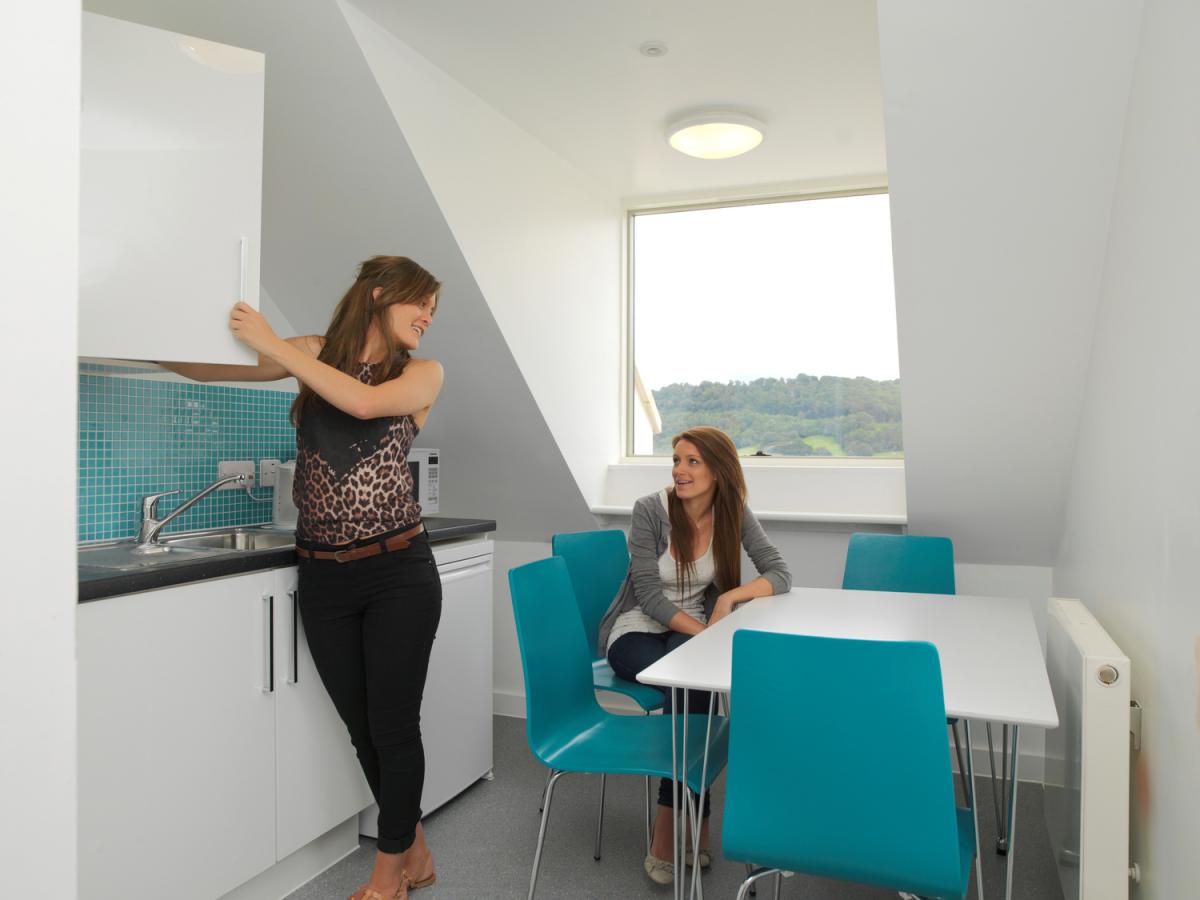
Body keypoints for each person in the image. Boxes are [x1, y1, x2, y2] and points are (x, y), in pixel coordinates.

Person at [161, 256, 444, 900]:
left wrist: (273, 347)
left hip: (398, 572)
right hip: (322, 577)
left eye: (433, 308)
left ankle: (388, 874)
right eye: (420, 303)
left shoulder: (422, 373)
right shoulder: (313, 352)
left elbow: (364, 401)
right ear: (379, 295)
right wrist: (150, 348)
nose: (429, 317)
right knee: (360, 725)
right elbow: (221, 366)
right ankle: (415, 845)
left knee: (395, 726)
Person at [596, 425, 792, 885]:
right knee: (691, 688)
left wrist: (728, 600)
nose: (679, 471)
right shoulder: (650, 511)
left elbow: (779, 572)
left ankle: (684, 821)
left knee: (694, 687)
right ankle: (678, 825)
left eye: (692, 462)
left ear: (718, 471)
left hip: (693, 628)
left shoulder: (733, 512)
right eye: (676, 460)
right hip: (638, 629)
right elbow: (648, 596)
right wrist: (705, 632)